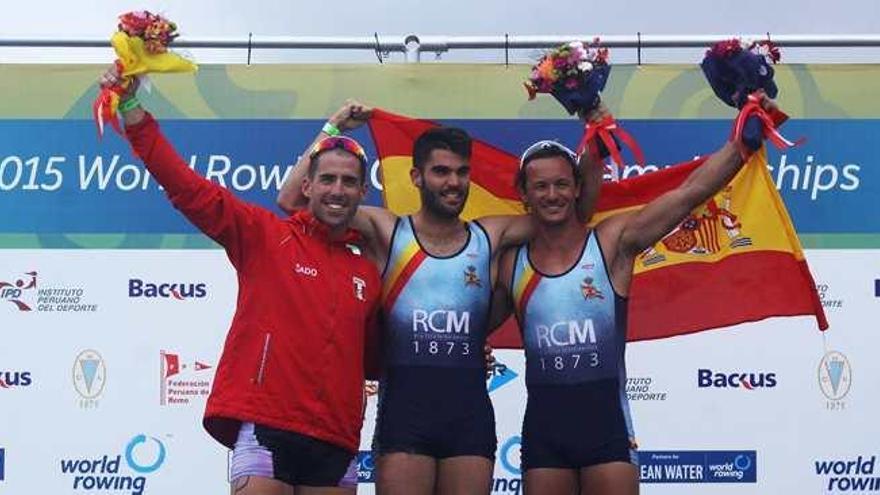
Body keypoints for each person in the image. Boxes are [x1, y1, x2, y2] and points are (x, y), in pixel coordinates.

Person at [277, 100, 604, 495]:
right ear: (416, 177)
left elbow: (569, 212)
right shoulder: (386, 230)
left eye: (462, 172)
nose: (453, 182)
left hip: (469, 422)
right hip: (404, 420)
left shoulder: (490, 235)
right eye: (441, 172)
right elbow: (294, 200)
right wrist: (333, 128)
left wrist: (594, 119)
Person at [99, 67, 381, 495]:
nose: (337, 190)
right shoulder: (265, 235)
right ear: (307, 186)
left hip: (337, 436)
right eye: (327, 179)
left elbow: (379, 355)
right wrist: (134, 111)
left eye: (348, 182)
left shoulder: (368, 268)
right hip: (267, 425)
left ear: (363, 193)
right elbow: (186, 187)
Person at [494, 95, 776, 495]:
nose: (552, 194)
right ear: (524, 194)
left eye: (561, 184)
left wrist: (742, 147)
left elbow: (689, 194)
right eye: (540, 186)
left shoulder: (612, 244)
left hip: (607, 433)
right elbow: (470, 319)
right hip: (543, 438)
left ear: (577, 189)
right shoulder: (509, 264)